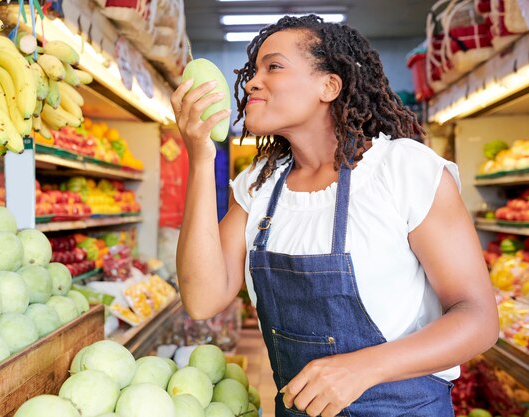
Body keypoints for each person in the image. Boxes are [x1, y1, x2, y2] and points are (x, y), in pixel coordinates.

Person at [171, 14, 498, 417]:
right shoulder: (258, 185)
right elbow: (202, 299)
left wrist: (363, 368)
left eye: (272, 66)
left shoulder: (402, 170)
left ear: (329, 86)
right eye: (253, 70)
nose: (252, 82)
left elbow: (478, 317)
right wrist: (202, 158)